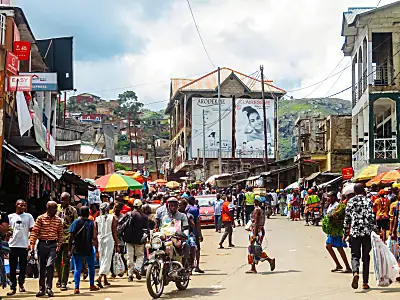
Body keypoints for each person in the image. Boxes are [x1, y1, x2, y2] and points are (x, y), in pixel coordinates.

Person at [343, 183, 375, 290]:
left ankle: (355, 273)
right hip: (366, 233)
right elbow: (372, 217)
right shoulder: (369, 201)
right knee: (366, 257)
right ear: (363, 191)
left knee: (355, 255)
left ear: (355, 192)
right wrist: (375, 231)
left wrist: (344, 234)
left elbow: (347, 219)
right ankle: (365, 283)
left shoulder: (350, 202)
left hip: (355, 233)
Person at [30, 201, 63, 297]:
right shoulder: (40, 218)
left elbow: (60, 234)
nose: (55, 210)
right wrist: (32, 245)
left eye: (56, 208)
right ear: (48, 208)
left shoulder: (58, 220)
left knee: (50, 265)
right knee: (41, 268)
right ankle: (42, 289)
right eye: (53, 208)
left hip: (53, 245)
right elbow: (34, 232)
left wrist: (59, 245)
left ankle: (49, 288)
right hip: (42, 244)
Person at [68, 206, 99, 294]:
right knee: (91, 267)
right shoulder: (91, 223)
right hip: (88, 248)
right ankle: (92, 285)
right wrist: (96, 250)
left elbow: (70, 236)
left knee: (77, 268)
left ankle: (76, 288)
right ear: (88, 213)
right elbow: (94, 237)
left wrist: (69, 249)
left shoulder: (76, 222)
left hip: (77, 248)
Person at [8, 200, 33, 296]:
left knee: (23, 267)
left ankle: (21, 283)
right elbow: (8, 230)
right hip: (12, 245)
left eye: (24, 205)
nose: (23, 207)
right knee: (12, 268)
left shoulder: (28, 216)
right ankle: (13, 287)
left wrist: (30, 243)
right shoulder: (10, 217)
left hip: (24, 245)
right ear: (16, 205)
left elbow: (32, 230)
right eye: (21, 205)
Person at [246, 197, 275, 274]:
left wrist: (255, 234)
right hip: (257, 230)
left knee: (254, 249)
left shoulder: (257, 210)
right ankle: (253, 267)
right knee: (252, 249)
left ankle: (269, 260)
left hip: (257, 231)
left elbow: (256, 223)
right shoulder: (260, 210)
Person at [55, 192, 78, 291]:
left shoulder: (73, 210)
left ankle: (64, 282)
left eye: (65, 199)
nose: (62, 201)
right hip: (56, 238)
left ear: (69, 200)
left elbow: (76, 224)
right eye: (61, 199)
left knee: (66, 261)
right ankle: (59, 279)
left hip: (68, 238)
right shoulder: (55, 208)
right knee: (57, 261)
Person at [324, 192, 351, 273]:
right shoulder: (330, 205)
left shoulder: (337, 206)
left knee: (338, 247)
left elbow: (337, 216)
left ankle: (347, 266)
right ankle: (338, 265)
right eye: (327, 196)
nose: (328, 198)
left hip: (336, 230)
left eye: (329, 196)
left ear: (334, 197)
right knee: (329, 246)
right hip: (332, 230)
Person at [95, 202, 119, 288]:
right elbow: (114, 232)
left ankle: (105, 280)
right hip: (109, 239)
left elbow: (95, 234)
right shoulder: (112, 218)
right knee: (107, 259)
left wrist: (96, 245)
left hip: (100, 239)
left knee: (102, 258)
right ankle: (100, 277)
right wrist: (117, 244)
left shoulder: (97, 219)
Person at [124, 200, 148, 282]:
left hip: (128, 239)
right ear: (141, 206)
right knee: (140, 256)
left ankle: (130, 275)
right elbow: (146, 229)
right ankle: (137, 269)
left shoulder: (129, 214)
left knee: (129, 257)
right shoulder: (144, 217)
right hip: (139, 240)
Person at [186, 196, 204, 273]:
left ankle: (189, 267)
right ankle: (197, 266)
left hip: (186, 232)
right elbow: (198, 222)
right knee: (197, 249)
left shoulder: (185, 208)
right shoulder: (195, 209)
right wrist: (200, 234)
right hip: (194, 232)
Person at [111, 202, 127, 278]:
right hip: (112, 238)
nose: (115, 209)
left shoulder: (123, 217)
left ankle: (124, 269)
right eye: (115, 207)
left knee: (120, 255)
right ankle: (113, 272)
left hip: (120, 239)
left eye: (117, 207)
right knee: (112, 255)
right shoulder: (111, 217)